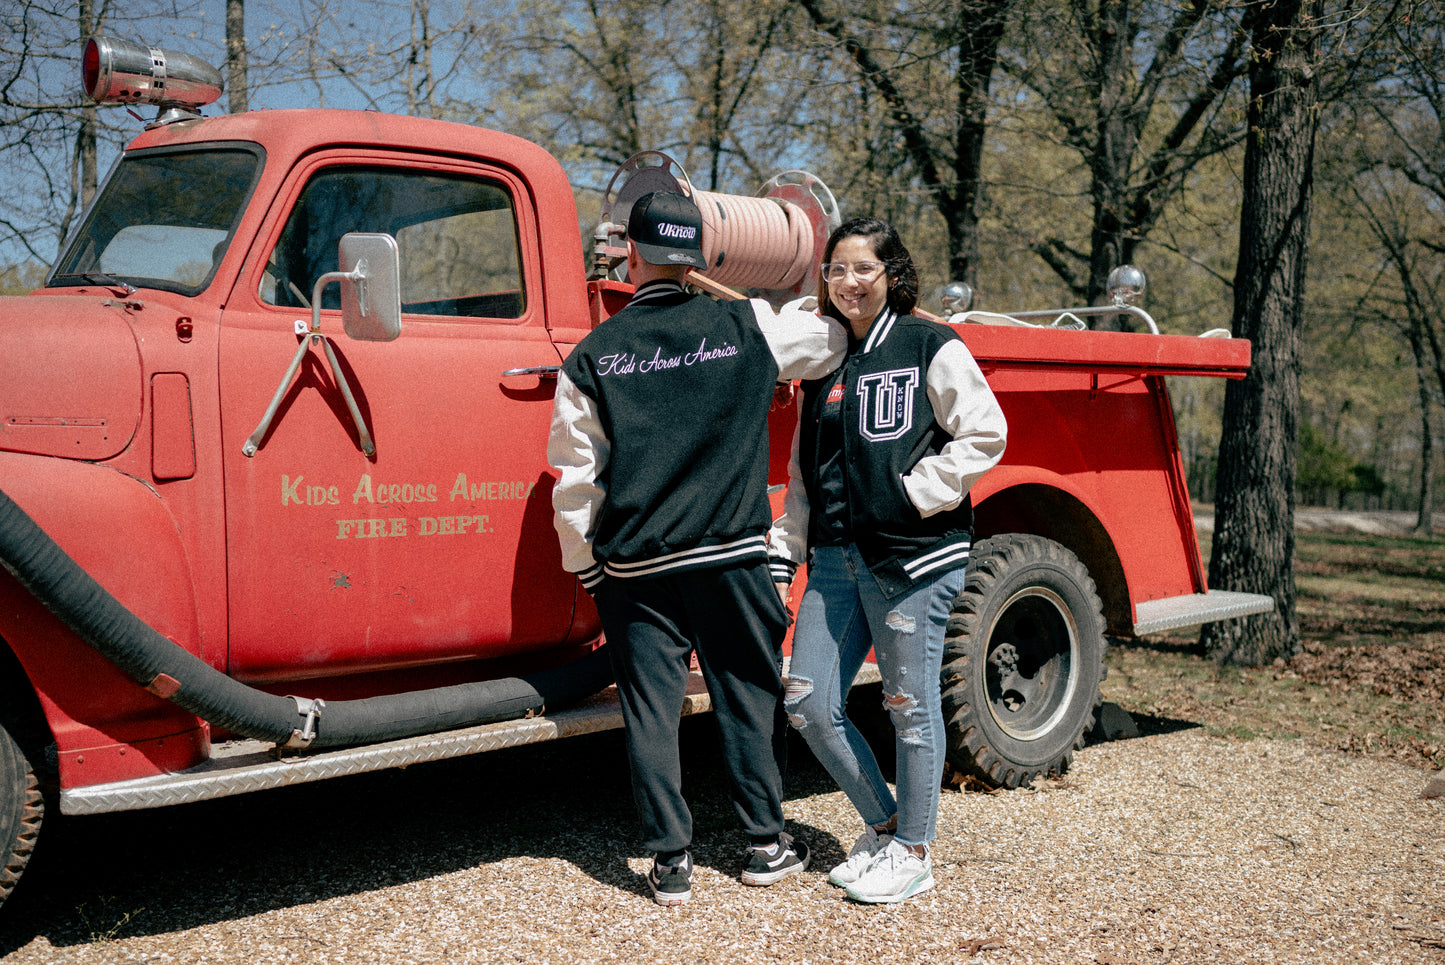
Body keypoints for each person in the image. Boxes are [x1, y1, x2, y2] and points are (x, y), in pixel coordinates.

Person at [548, 190, 847, 906]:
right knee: (747, 696)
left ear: (633, 255)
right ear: (701, 256)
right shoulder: (746, 324)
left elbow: (574, 479)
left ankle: (669, 862)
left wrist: (585, 564)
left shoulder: (592, 355)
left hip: (635, 564)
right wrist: (783, 311)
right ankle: (764, 846)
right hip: (728, 554)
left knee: (650, 710)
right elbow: (831, 344)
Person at [769, 217, 1007, 904]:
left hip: (915, 556)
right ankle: (883, 824)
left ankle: (915, 850)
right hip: (837, 559)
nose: (848, 281)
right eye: (836, 268)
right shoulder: (825, 361)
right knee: (809, 702)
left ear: (892, 274)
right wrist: (788, 549)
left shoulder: (929, 342)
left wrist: (914, 493)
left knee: (908, 704)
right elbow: (803, 470)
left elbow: (984, 432)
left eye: (863, 268)